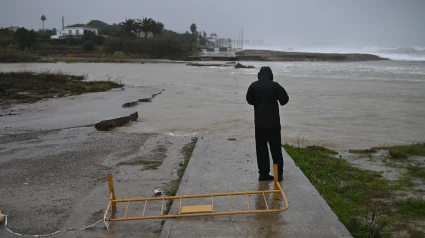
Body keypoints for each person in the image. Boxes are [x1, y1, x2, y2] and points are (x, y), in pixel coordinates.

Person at [246, 66, 289, 181]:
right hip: (273, 124)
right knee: (276, 150)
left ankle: (263, 174)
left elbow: (249, 100)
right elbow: (285, 100)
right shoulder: (275, 85)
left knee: (261, 150)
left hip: (259, 125)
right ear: (270, 75)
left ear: (259, 75)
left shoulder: (253, 86)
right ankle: (278, 174)